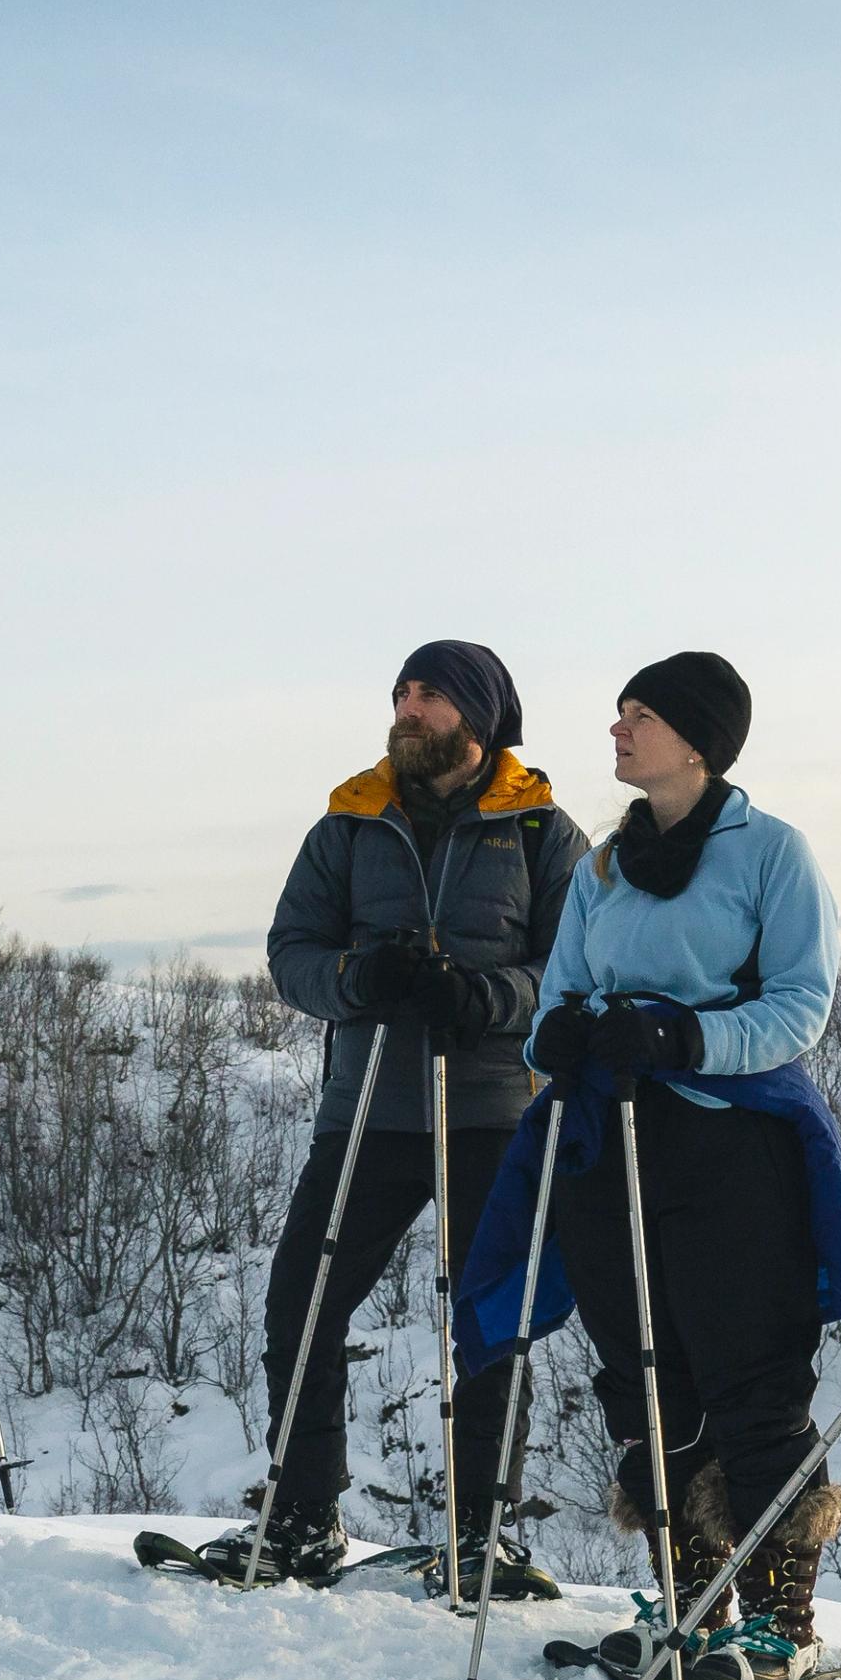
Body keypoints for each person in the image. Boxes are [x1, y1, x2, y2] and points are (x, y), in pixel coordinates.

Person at [500, 652, 841, 1680]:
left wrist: (680, 1035)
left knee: (750, 1374)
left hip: (730, 1137)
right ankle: (692, 1604)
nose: (617, 731)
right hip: (607, 1139)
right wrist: (572, 1033)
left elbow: (802, 1004)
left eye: (640, 716)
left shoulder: (773, 854)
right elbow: (555, 1001)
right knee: (641, 1377)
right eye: (620, 714)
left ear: (699, 740)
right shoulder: (602, 868)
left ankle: (780, 1623)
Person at [202, 643, 581, 1587]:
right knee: (303, 1299)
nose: (408, 710)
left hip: (494, 1108)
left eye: (430, 696)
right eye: (402, 693)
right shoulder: (351, 821)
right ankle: (301, 1517)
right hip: (368, 1107)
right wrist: (355, 979)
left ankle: (483, 1534)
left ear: (479, 718)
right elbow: (291, 950)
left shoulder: (540, 829)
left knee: (491, 1322)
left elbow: (573, 969)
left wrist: (484, 997)